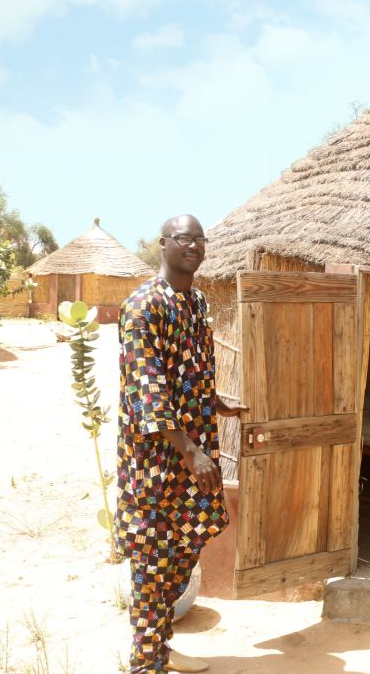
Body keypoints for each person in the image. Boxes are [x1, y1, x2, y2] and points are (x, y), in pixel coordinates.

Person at [114, 214, 248, 673]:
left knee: (185, 545)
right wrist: (189, 450)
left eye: (200, 239)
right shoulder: (143, 306)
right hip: (156, 458)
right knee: (153, 558)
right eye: (184, 238)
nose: (193, 245)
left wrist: (215, 401)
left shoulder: (195, 303)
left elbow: (189, 371)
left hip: (193, 455)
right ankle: (145, 662)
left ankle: (159, 647)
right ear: (163, 244)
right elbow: (146, 388)